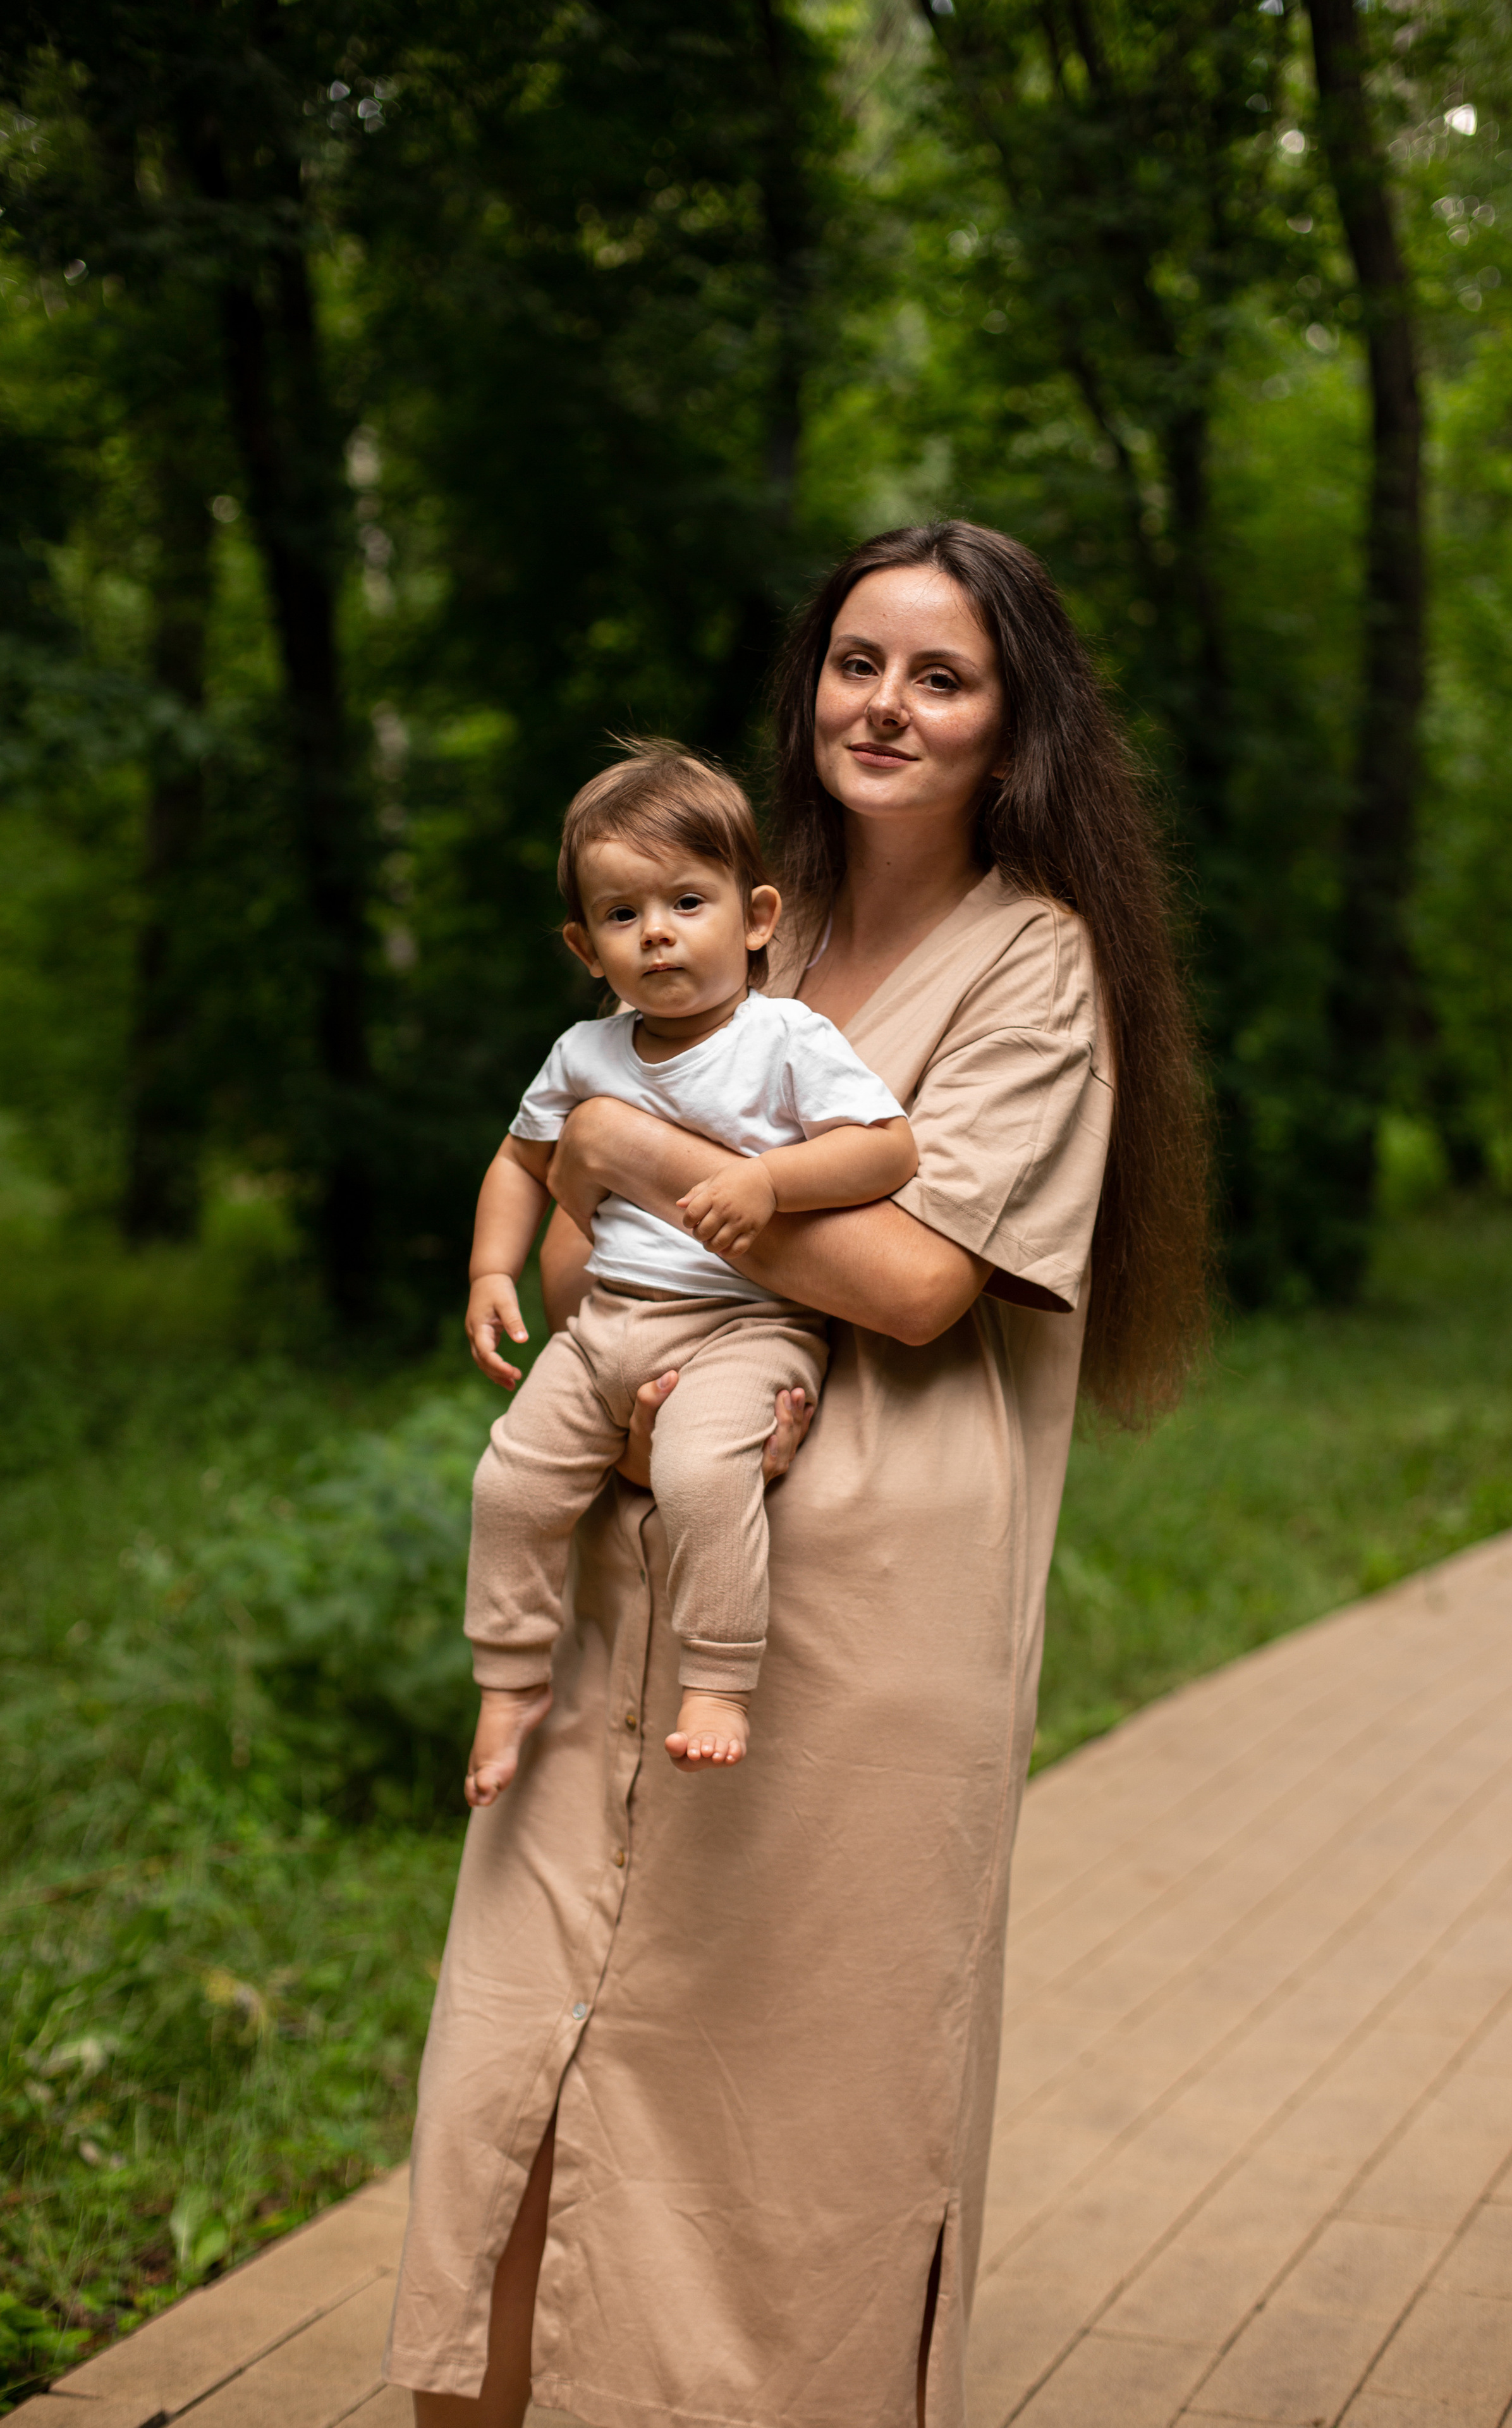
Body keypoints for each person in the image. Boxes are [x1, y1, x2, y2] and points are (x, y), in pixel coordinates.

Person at [386, 520, 1208, 2428]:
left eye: (942, 674)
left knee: (793, 2107)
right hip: (635, 1563)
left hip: (866, 1616)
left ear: (1018, 723)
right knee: (529, 2045)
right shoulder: (724, 905)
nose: (887, 704)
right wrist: (590, 1184)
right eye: (857, 662)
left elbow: (917, 1284)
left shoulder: (1038, 962)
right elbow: (578, 1260)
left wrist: (635, 1149)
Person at [460, 742, 915, 1787]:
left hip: (748, 1330)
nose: (657, 933)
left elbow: (889, 1147)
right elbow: (519, 1163)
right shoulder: (586, 1055)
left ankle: (718, 1673)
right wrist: (493, 1270)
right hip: (608, 1323)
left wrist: (773, 1183)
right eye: (623, 916)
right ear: (587, 947)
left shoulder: (785, 1039)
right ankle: (512, 1673)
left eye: (687, 903)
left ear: (756, 919)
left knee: (701, 1471)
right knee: (512, 1482)